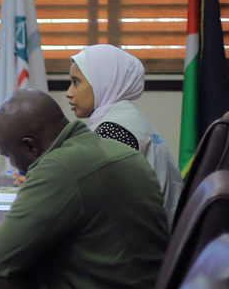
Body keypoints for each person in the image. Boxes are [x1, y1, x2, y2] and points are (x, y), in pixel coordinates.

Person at [0, 89, 168, 289]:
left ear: (30, 146)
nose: (12, 164)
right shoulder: (116, 149)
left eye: (9, 155)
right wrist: (14, 234)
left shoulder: (58, 168)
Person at [66, 44, 183, 218]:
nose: (69, 93)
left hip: (149, 231)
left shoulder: (112, 129)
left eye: (76, 82)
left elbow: (96, 198)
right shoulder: (126, 117)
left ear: (103, 82)